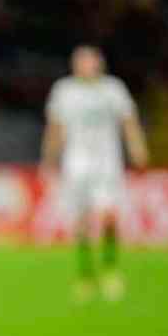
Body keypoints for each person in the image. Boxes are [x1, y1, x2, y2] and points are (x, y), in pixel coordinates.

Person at [40, 45, 149, 302]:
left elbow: (128, 121)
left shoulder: (113, 89)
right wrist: (49, 158)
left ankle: (110, 268)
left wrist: (137, 147)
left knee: (109, 215)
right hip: (76, 163)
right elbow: (55, 127)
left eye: (89, 61)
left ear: (99, 64)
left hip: (107, 162)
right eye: (80, 62)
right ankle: (86, 274)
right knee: (80, 220)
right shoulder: (64, 91)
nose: (85, 66)